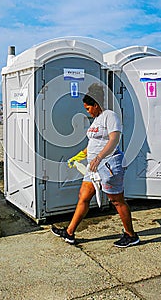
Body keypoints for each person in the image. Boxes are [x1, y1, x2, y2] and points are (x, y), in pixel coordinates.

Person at [51, 83, 140, 248]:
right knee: (83, 196)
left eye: (88, 108)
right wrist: (79, 155)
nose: (87, 111)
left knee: (117, 201)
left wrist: (99, 157)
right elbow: (93, 143)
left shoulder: (110, 116)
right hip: (93, 168)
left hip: (109, 165)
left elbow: (114, 140)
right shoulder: (97, 120)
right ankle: (69, 233)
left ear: (96, 105)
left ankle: (131, 235)